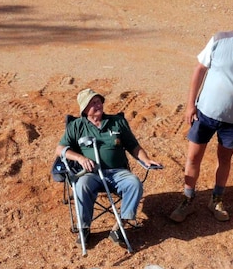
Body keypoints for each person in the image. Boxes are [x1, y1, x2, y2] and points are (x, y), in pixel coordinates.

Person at [169, 5, 233, 224]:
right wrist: (190, 105)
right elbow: (199, 70)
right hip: (205, 113)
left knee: (224, 160)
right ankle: (187, 198)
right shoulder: (219, 40)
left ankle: (216, 199)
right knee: (193, 157)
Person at [56, 88, 161, 247]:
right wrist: (80, 158)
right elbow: (60, 149)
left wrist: (146, 160)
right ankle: (84, 228)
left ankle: (119, 227)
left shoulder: (117, 122)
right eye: (92, 103)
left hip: (118, 172)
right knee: (81, 185)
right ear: (84, 109)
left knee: (134, 183)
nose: (98, 105)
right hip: (90, 173)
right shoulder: (77, 125)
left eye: (98, 101)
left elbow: (133, 146)